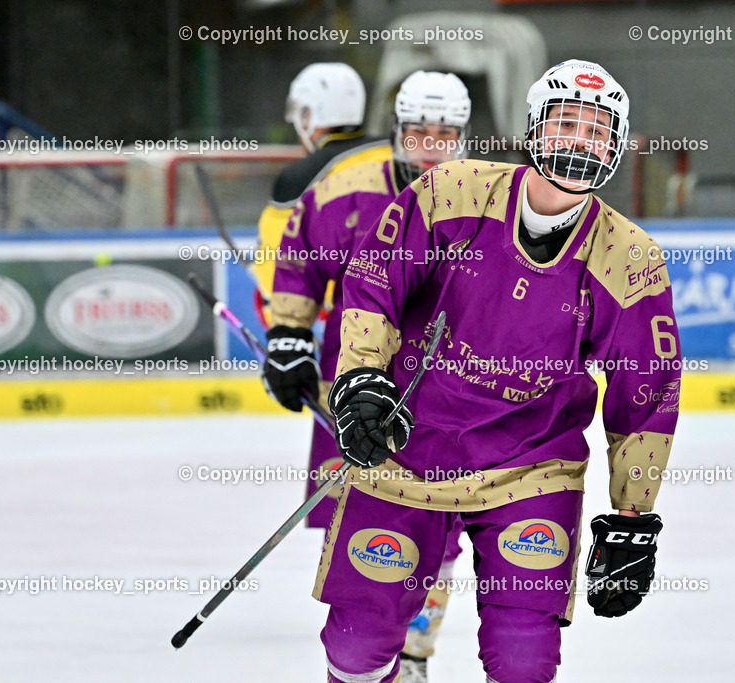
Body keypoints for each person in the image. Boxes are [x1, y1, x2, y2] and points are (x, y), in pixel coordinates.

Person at [313, 59, 681, 683]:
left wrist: (632, 517)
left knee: (523, 660)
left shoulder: (631, 258)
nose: (579, 142)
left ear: (616, 148)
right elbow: (374, 283)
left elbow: (645, 394)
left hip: (530, 464)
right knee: (355, 645)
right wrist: (360, 379)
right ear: (534, 126)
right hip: (406, 450)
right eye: (567, 124)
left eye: (597, 132)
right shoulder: (449, 190)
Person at [261, 71, 472, 682]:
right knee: (361, 521)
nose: (430, 145)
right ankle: (362, 651)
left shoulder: (489, 199)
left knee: (442, 531)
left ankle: (410, 654)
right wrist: (289, 338)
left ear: (463, 137)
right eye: (418, 131)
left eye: (445, 134)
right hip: (355, 391)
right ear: (396, 131)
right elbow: (298, 265)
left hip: (449, 401)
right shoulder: (343, 192)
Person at [252, 62, 390, 319]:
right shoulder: (400, 151)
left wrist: (282, 329)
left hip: (346, 322)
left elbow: (275, 274)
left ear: (308, 115)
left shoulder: (301, 177)